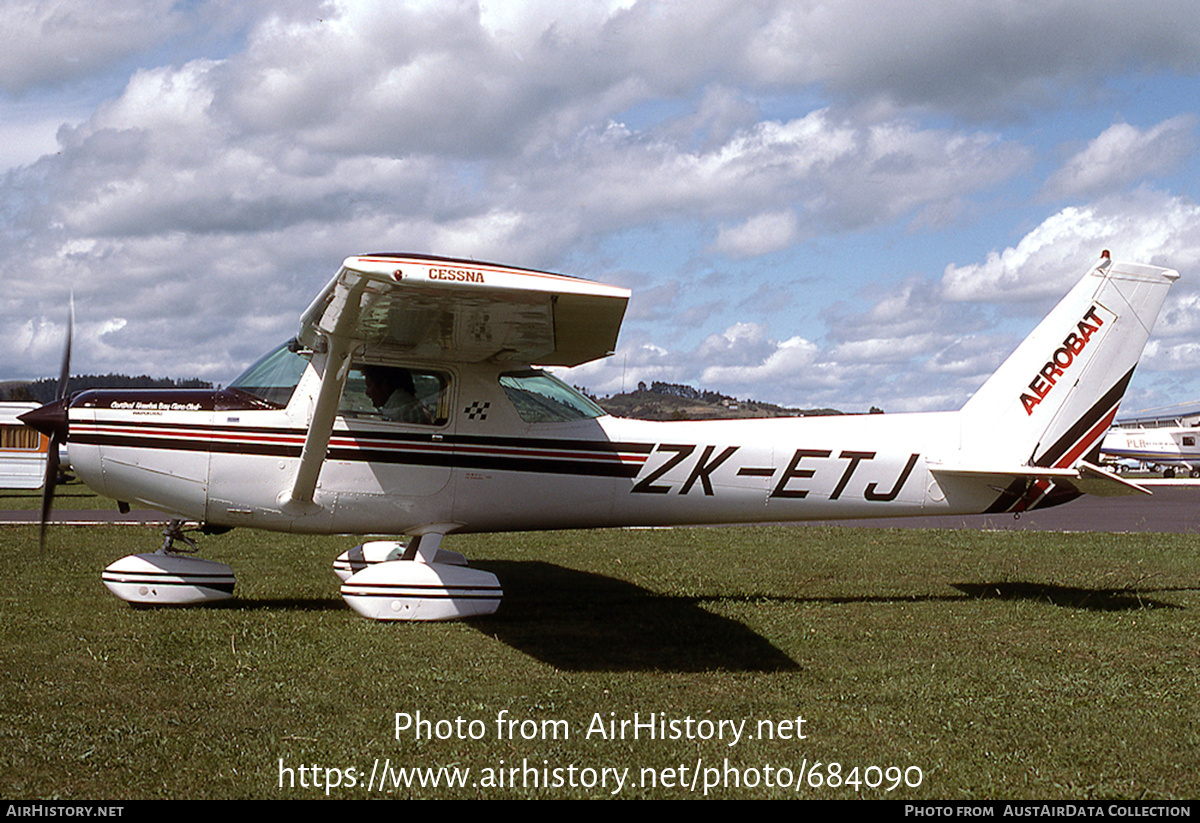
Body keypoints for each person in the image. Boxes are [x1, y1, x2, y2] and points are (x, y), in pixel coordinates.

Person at [361, 366, 435, 424]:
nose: (367, 393)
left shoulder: (400, 409)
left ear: (383, 385)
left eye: (369, 386)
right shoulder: (400, 405)